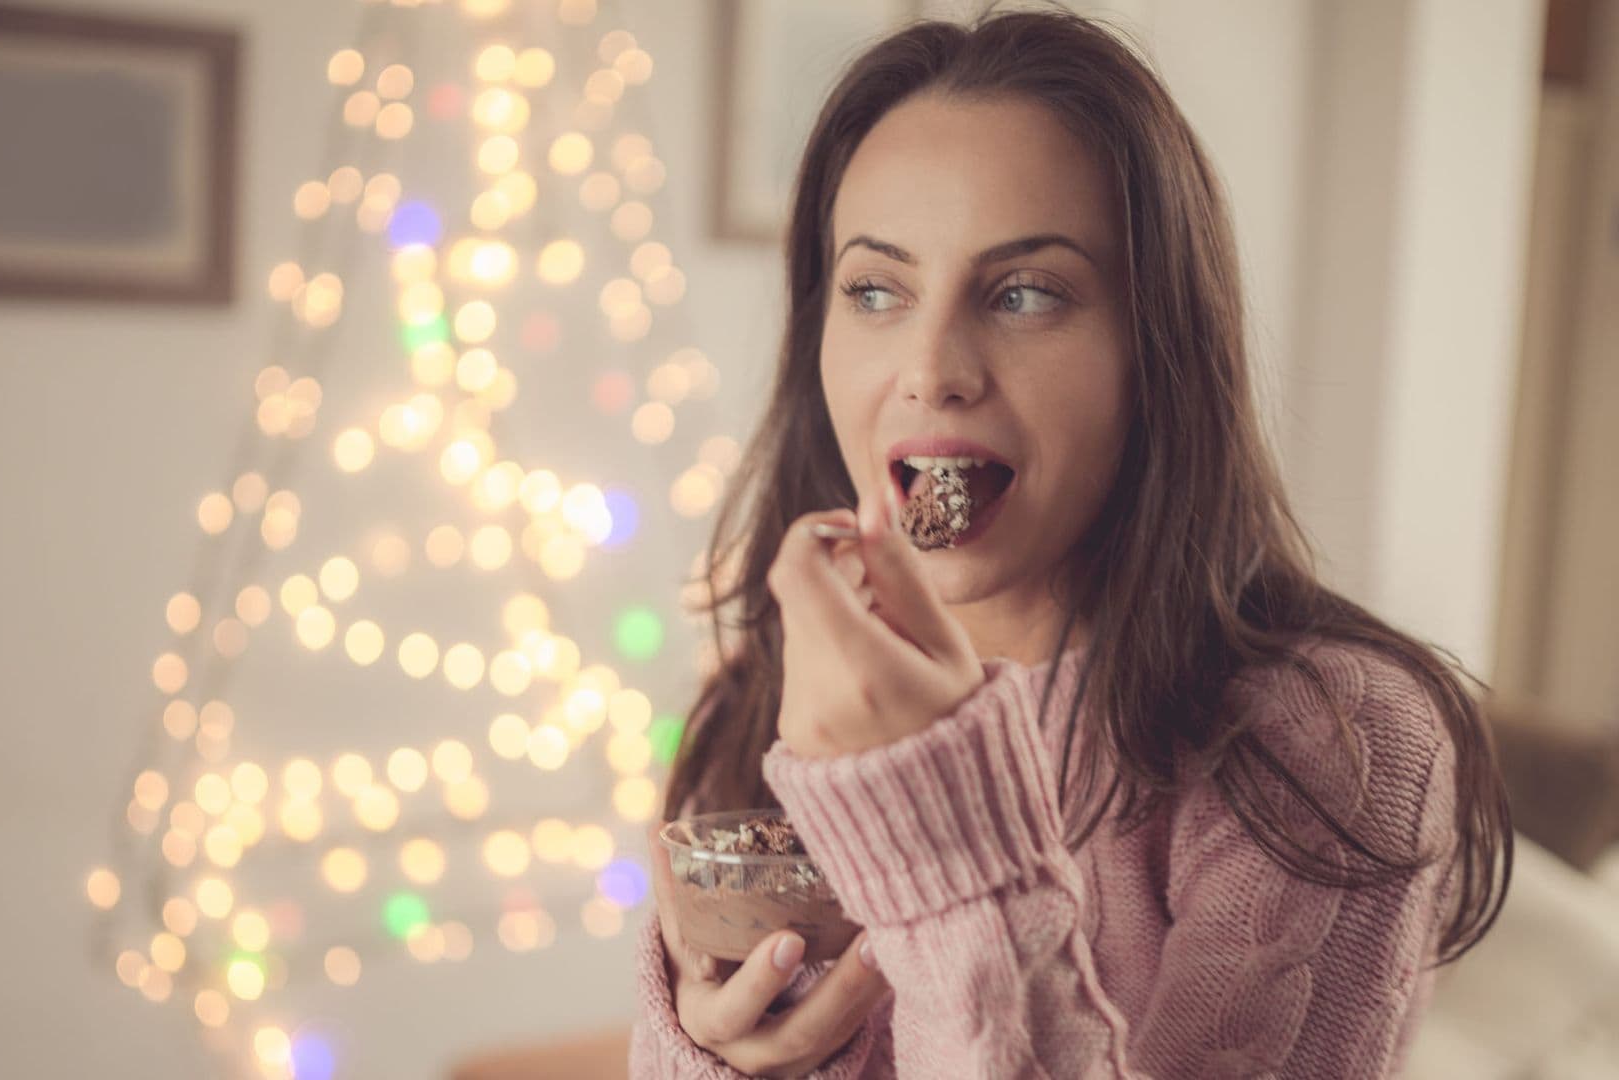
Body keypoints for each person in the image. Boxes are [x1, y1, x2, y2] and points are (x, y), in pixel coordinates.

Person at [630, 8, 1512, 1078]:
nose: (932, 370)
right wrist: (715, 1056)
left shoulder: (1333, 741)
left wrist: (944, 822)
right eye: (875, 290)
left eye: (1025, 294)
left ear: (1157, 347)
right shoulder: (766, 694)